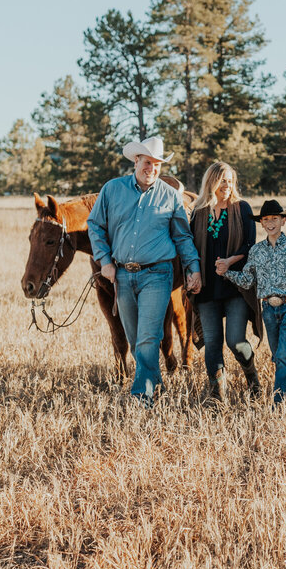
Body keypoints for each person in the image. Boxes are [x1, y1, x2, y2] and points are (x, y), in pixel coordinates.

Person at [86, 136, 202, 404]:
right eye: (147, 162)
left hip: (157, 274)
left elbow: (183, 238)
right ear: (136, 161)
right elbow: (95, 226)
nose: (152, 168)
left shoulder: (169, 196)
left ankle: (143, 398)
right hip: (123, 275)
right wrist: (104, 260)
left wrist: (193, 268)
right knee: (137, 341)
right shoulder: (112, 190)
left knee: (150, 337)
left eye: (157, 164)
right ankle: (156, 384)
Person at [225, 200, 286, 404]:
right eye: (266, 220)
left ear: (283, 221)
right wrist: (226, 272)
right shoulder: (256, 251)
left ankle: (278, 401)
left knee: (282, 355)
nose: (270, 222)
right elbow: (247, 280)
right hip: (268, 310)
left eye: (275, 218)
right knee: (279, 356)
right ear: (261, 224)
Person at [188, 161, 262, 401]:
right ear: (211, 182)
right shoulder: (199, 212)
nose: (227, 185)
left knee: (235, 341)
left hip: (236, 286)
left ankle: (252, 378)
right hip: (207, 287)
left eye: (230, 181)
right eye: (222, 180)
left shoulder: (242, 209)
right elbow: (189, 248)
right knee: (212, 343)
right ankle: (217, 394)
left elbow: (250, 244)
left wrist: (230, 261)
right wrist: (193, 274)